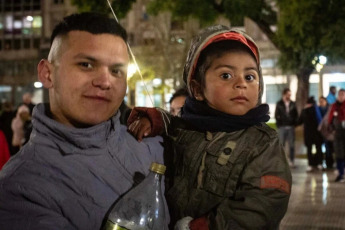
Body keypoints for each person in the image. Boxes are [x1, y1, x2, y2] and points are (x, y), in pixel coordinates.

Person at [0, 12, 167, 230]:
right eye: (86, 65)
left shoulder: (150, 141)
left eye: (116, 70)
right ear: (47, 74)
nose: (105, 82)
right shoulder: (21, 189)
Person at [128, 25, 292, 230]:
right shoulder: (189, 128)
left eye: (250, 76)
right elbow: (174, 124)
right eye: (226, 75)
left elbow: (264, 203)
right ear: (197, 90)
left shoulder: (263, 143)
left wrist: (206, 226)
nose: (241, 83)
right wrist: (155, 119)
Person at [297, 96, 324, 172]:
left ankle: (310, 164)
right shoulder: (317, 109)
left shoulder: (304, 111)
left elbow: (299, 121)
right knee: (318, 148)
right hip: (317, 133)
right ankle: (319, 163)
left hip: (308, 133)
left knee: (309, 149)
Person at [275, 88, 298, 167]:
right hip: (282, 127)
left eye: (290, 94)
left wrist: (294, 123)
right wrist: (279, 125)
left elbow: (296, 114)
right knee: (281, 145)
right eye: (288, 94)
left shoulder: (293, 103)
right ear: (284, 94)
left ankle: (292, 161)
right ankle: (282, 161)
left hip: (291, 127)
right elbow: (276, 114)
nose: (289, 96)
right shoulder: (279, 103)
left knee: (292, 145)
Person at [327, 89, 345, 182]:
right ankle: (340, 173)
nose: (341, 96)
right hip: (338, 133)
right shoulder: (334, 106)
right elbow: (330, 119)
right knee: (339, 154)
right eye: (340, 95)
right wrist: (332, 129)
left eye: (343, 95)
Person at [318, 96, 334, 169]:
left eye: (322, 101)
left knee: (330, 148)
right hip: (322, 132)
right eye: (320, 101)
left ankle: (330, 163)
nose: (321, 103)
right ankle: (327, 163)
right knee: (325, 148)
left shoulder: (329, 109)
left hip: (329, 132)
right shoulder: (318, 109)